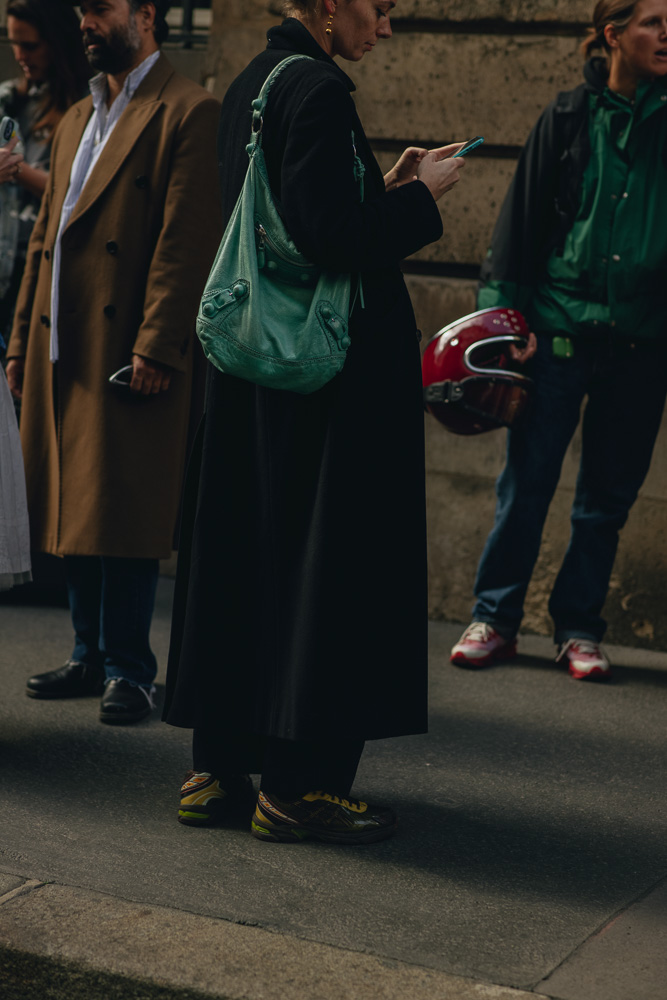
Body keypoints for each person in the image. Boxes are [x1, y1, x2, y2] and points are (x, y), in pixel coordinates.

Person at [164, 0, 467, 845]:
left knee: (245, 557)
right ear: (330, 6)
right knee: (328, 570)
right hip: (324, 383)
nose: (388, 26)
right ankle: (299, 789)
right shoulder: (323, 91)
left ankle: (215, 770)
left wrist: (384, 180)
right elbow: (330, 236)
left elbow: (283, 218)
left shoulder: (253, 82)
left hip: (251, 369)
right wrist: (419, 200)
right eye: (379, 8)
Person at [5, 0, 221, 723]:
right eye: (81, 11)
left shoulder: (188, 110)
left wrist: (159, 343)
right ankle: (88, 652)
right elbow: (47, 241)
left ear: (147, 14)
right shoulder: (75, 118)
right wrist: (17, 345)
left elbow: (185, 243)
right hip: (59, 339)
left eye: (99, 9)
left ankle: (130, 668)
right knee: (75, 497)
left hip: (127, 340)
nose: (86, 23)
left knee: (122, 500)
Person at [450, 0, 667, 681]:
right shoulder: (569, 116)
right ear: (612, 35)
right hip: (557, 335)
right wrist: (503, 324)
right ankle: (495, 616)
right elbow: (516, 225)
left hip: (641, 344)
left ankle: (577, 628)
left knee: (604, 501)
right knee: (528, 484)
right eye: (653, 22)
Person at [0, 0, 90, 350]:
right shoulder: (9, 99)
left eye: (31, 45)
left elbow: (77, 191)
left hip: (44, 266)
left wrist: (15, 169)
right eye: (13, 42)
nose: (21, 55)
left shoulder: (86, 106)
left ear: (57, 41)